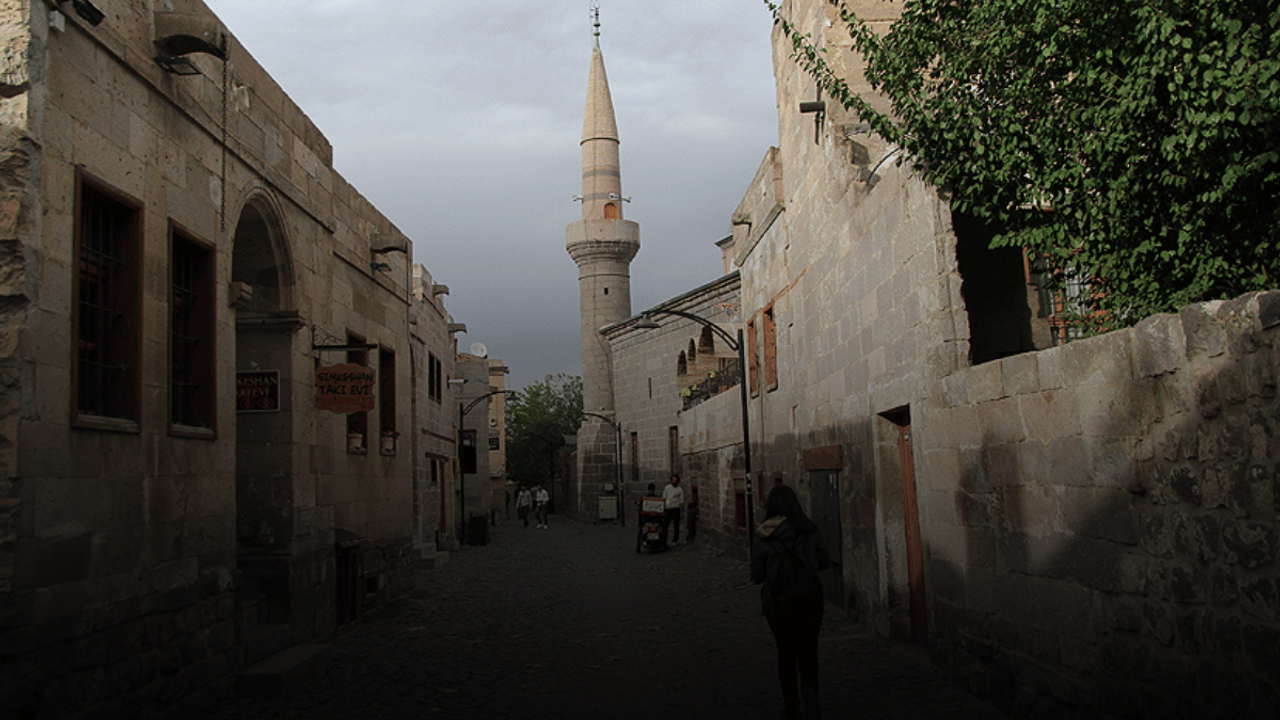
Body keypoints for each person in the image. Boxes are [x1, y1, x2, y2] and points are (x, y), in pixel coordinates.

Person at [751, 485, 831, 720]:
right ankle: (809, 688)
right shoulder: (809, 529)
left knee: (785, 652)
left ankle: (791, 703)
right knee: (809, 648)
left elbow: (757, 573)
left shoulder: (762, 535)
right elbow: (824, 562)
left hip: (779, 603)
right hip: (810, 598)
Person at [661, 474, 684, 545]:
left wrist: (682, 512)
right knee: (665, 525)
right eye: (673, 480)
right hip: (668, 508)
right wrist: (663, 509)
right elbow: (663, 498)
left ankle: (675, 540)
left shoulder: (679, 489)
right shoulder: (667, 488)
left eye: (675, 481)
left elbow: (681, 502)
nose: (674, 482)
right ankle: (664, 540)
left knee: (676, 525)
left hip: (676, 509)